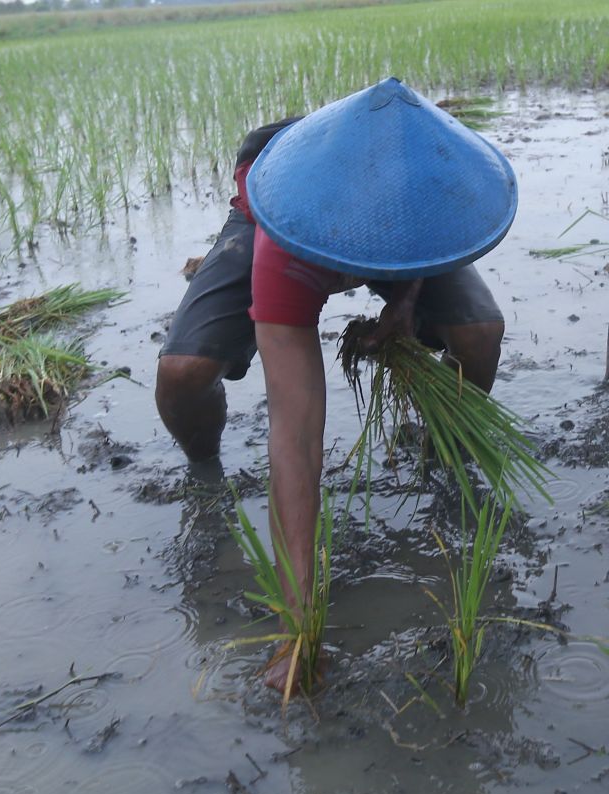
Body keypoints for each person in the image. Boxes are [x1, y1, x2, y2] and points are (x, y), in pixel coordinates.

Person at [154, 78, 517, 690]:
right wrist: (298, 627)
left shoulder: (420, 198)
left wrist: (405, 300)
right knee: (182, 374)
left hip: (383, 200)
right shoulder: (285, 242)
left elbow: (419, 235)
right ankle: (203, 471)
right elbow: (296, 436)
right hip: (280, 210)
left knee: (480, 329)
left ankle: (444, 444)